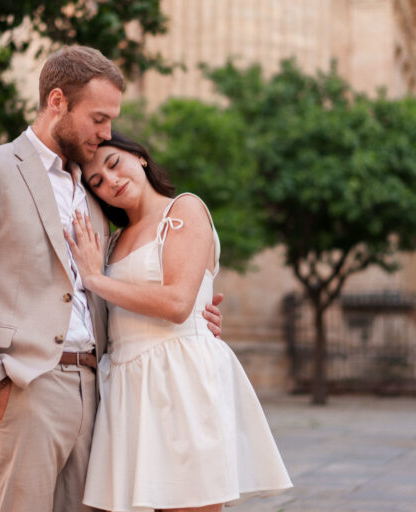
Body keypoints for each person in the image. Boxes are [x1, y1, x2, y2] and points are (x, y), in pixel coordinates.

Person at [0, 46, 224, 512]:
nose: (106, 134)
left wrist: (193, 319)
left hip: (99, 392)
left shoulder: (94, 194)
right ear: (57, 101)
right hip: (23, 388)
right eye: (98, 118)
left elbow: (115, 281)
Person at [65, 131, 293, 512]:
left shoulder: (184, 210)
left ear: (138, 157)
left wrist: (96, 280)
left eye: (113, 163)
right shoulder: (109, 241)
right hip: (125, 385)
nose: (111, 181)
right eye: (97, 182)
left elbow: (176, 303)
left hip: (180, 381)